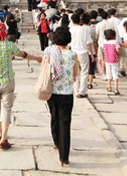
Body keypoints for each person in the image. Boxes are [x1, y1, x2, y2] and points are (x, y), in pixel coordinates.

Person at [0, 21, 41, 150]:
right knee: (7, 108)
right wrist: (36, 58)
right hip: (8, 81)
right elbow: (23, 55)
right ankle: (4, 138)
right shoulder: (9, 45)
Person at [44, 26, 78, 166]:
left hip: (52, 91)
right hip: (67, 93)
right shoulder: (72, 54)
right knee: (65, 122)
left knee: (54, 117)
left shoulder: (49, 52)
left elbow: (45, 69)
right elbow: (75, 73)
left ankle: (57, 143)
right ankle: (64, 156)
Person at [70, 12, 93, 98]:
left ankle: (76, 91)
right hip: (83, 52)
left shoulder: (70, 29)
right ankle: (82, 91)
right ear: (79, 20)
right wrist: (91, 54)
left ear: (72, 21)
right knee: (84, 72)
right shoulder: (83, 29)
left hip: (73, 53)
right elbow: (88, 43)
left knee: (75, 73)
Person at [102, 29, 120, 95]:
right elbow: (118, 50)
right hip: (114, 60)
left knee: (108, 74)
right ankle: (116, 89)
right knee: (115, 74)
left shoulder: (105, 42)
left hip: (107, 60)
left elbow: (104, 49)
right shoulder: (115, 42)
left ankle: (109, 87)